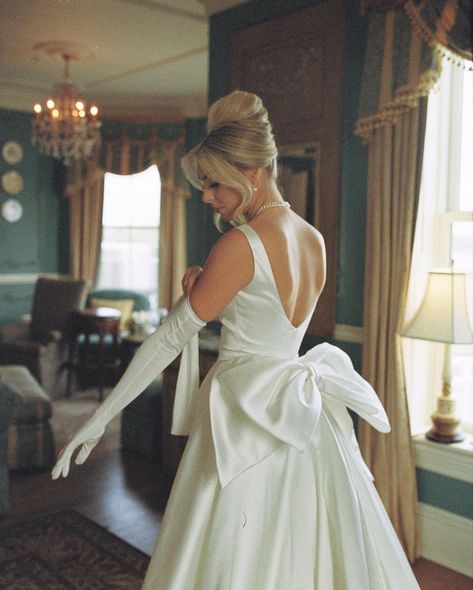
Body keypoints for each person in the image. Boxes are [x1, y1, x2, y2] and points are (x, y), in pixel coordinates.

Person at [52, 91, 420, 589]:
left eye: (214, 183)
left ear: (251, 173)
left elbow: (166, 340)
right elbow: (271, 314)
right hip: (303, 418)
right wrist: (200, 291)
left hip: (244, 415)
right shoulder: (313, 238)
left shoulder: (239, 244)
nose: (206, 195)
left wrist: (97, 419)